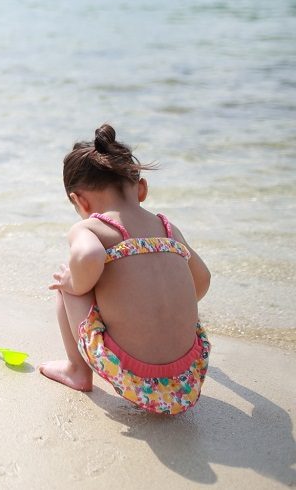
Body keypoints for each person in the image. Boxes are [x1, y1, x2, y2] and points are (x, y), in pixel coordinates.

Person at [39, 124, 212, 415]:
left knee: (68, 280)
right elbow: (203, 279)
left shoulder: (91, 227)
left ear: (79, 200)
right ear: (141, 188)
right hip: (188, 379)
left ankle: (77, 371)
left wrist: (74, 283)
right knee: (90, 275)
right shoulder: (168, 229)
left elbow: (89, 254)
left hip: (133, 377)